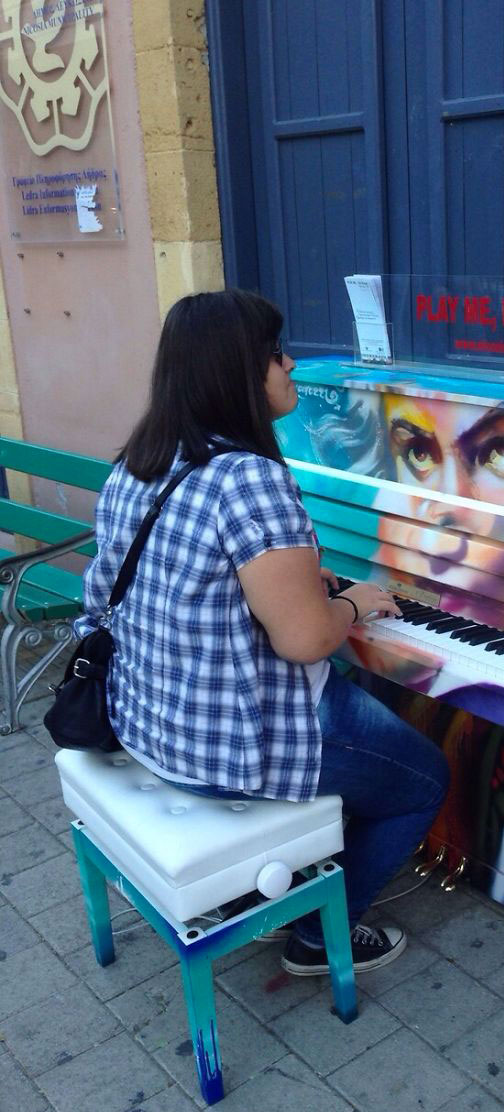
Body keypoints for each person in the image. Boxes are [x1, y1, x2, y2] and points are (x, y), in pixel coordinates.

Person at [77, 289, 450, 975]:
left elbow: (129, 587)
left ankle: (293, 873)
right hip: (228, 744)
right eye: (277, 353)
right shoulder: (249, 478)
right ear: (238, 371)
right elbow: (306, 641)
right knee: (426, 777)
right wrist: (358, 604)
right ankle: (315, 933)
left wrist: (307, 580)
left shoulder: (136, 461)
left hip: (148, 718)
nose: (292, 367)